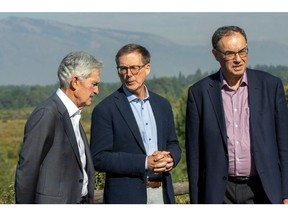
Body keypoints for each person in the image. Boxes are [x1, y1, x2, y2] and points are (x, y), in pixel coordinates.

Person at [185, 25, 288, 204]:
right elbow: (194, 155)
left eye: (243, 51)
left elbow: (284, 145)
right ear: (216, 55)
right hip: (219, 193)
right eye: (230, 53)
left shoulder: (271, 86)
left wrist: (286, 193)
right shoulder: (199, 93)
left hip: (263, 189)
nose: (238, 59)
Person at [90, 43, 181, 204]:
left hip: (163, 193)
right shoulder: (105, 109)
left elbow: (173, 143)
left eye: (134, 68)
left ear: (147, 68)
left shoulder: (162, 105)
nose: (128, 74)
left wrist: (172, 158)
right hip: (126, 198)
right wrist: (145, 163)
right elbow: (99, 158)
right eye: (122, 69)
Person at [15, 51, 103, 204]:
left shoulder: (73, 115)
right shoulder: (47, 114)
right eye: (94, 84)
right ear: (75, 81)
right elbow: (27, 170)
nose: (96, 91)